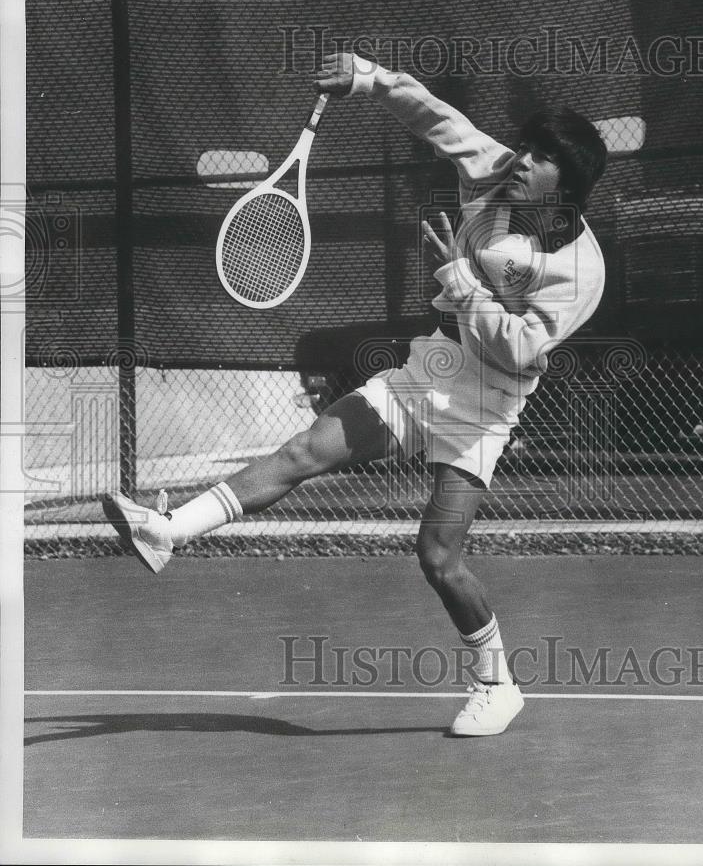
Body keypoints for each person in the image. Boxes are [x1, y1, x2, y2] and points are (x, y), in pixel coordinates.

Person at [104, 52, 607, 737]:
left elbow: (521, 348)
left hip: (489, 403)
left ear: (568, 185)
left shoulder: (580, 269)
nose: (521, 161)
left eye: (542, 157)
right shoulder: (494, 171)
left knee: (437, 555)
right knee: (307, 449)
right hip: (431, 366)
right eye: (524, 146)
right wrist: (369, 78)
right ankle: (166, 531)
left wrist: (458, 282)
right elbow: (435, 117)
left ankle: (498, 685)